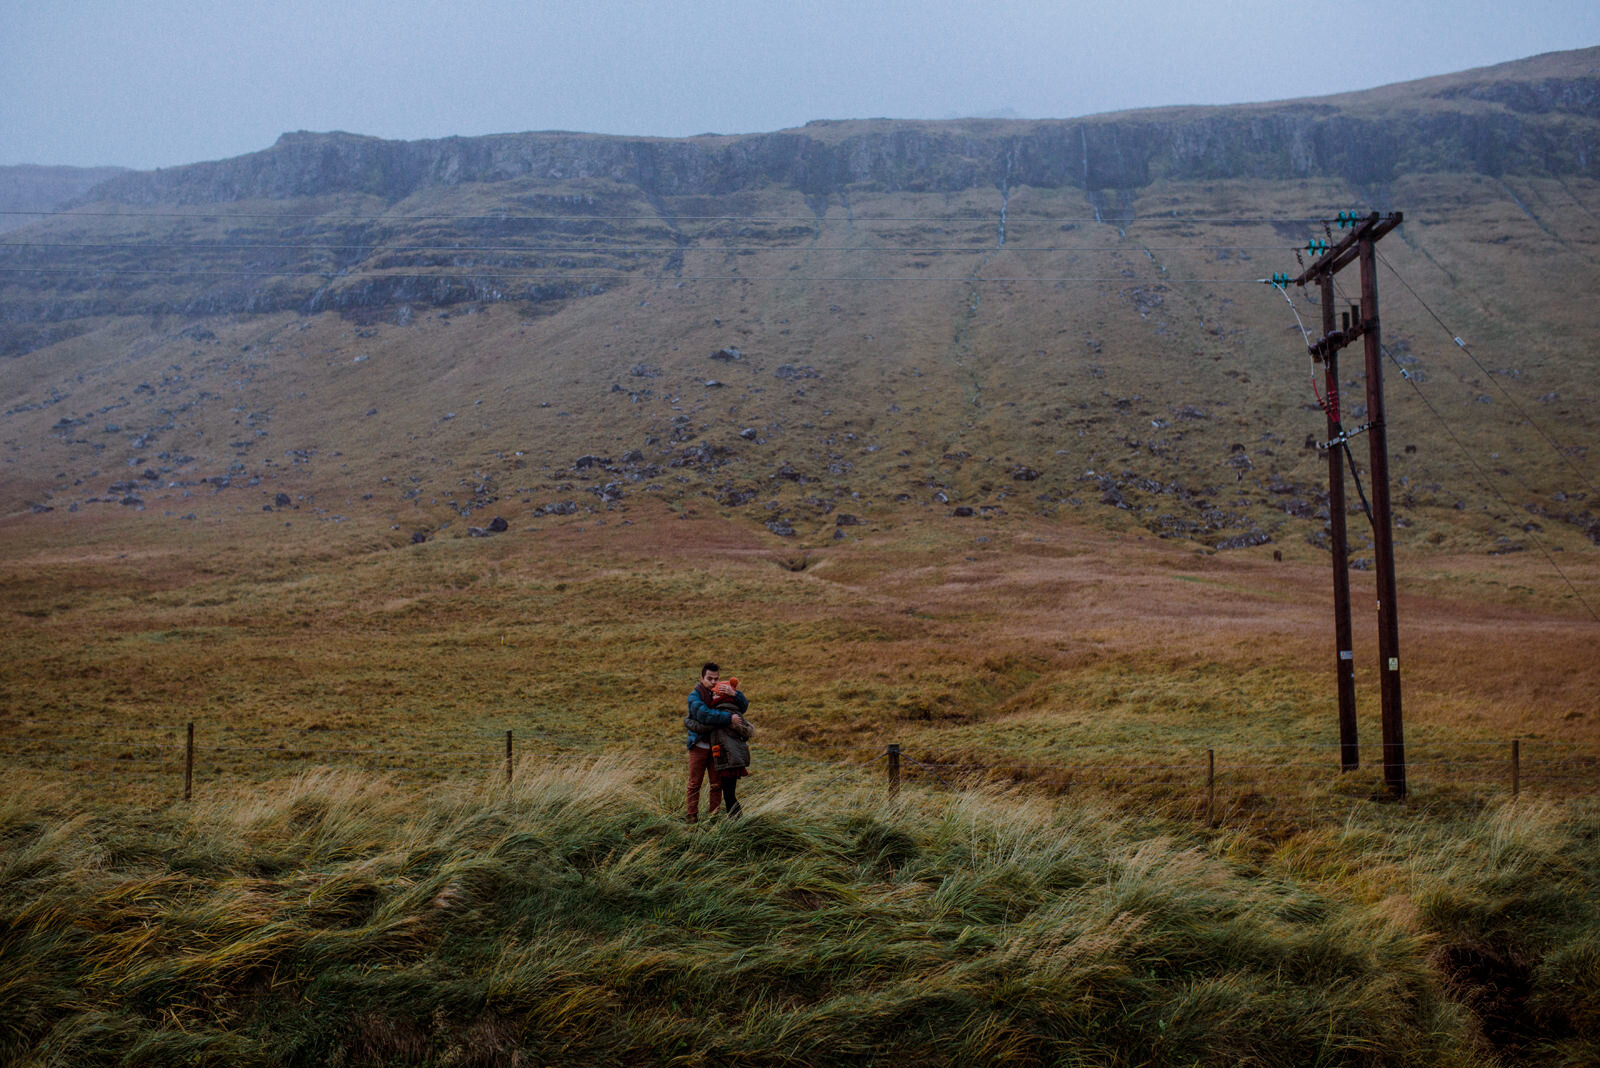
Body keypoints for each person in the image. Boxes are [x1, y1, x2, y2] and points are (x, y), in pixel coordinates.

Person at [684, 662, 746, 822]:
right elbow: (704, 715)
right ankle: (692, 817)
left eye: (716, 679)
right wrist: (728, 719)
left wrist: (734, 694)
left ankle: (714, 817)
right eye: (709, 678)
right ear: (701, 678)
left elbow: (743, 706)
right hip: (698, 746)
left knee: (716, 784)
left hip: (715, 747)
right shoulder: (695, 696)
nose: (713, 682)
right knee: (694, 783)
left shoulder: (719, 692)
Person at [703, 678, 755, 817]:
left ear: (722, 696)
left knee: (729, 795)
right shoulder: (726, 711)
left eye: (716, 694)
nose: (713, 697)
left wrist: (730, 722)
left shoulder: (724, 712)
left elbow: (747, 731)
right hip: (729, 757)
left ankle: (738, 823)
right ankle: (737, 822)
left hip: (729, 759)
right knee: (729, 794)